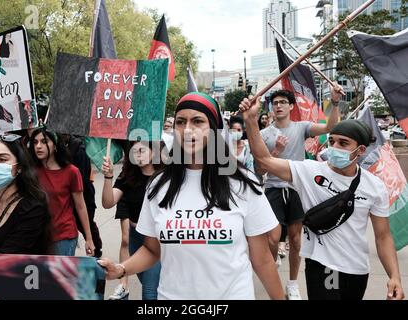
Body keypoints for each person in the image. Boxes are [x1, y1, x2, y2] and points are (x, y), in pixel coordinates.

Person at [98, 92, 285, 300]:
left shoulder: (242, 183)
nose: (187, 130)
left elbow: (263, 260)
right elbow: (152, 250)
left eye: (197, 121)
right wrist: (120, 269)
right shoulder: (158, 186)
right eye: (180, 122)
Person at [240, 97, 405, 300]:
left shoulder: (374, 186)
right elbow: (264, 160)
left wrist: (395, 276)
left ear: (360, 150)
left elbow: (383, 236)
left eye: (343, 143)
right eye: (332, 141)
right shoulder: (308, 172)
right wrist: (250, 121)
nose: (334, 147)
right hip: (325, 267)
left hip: (358, 270)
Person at [253, 87, 341, 299]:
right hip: (273, 189)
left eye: (283, 102)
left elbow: (331, 126)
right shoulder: (264, 134)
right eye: (275, 103)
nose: (279, 106)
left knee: (295, 239)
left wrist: (335, 103)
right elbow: (260, 170)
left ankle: (292, 283)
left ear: (291, 107)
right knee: (273, 239)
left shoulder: (301, 127)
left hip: (297, 189)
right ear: (271, 108)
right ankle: (272, 270)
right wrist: (276, 153)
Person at [101, 140, 164, 300]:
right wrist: (108, 177)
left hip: (155, 240)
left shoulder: (165, 178)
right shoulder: (128, 177)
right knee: (151, 285)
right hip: (135, 237)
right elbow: (108, 203)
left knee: (149, 293)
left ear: (154, 151)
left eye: (142, 150)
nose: (138, 154)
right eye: (134, 151)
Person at [29, 128, 95, 256]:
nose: (38, 146)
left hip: (64, 236)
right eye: (35, 142)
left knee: (61, 276)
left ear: (55, 144)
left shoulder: (71, 171)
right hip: (38, 236)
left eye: (44, 141)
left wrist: (89, 238)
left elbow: (81, 206)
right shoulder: (31, 172)